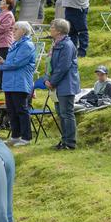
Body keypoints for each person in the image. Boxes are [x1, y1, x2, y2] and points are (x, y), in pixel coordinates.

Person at [46, 18, 81, 150]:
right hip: (57, 84)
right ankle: (64, 140)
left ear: (59, 30)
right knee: (61, 113)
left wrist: (52, 81)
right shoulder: (55, 44)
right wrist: (46, 78)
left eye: (52, 27)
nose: (51, 29)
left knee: (67, 113)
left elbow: (63, 66)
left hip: (66, 84)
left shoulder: (67, 45)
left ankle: (70, 142)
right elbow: (49, 64)